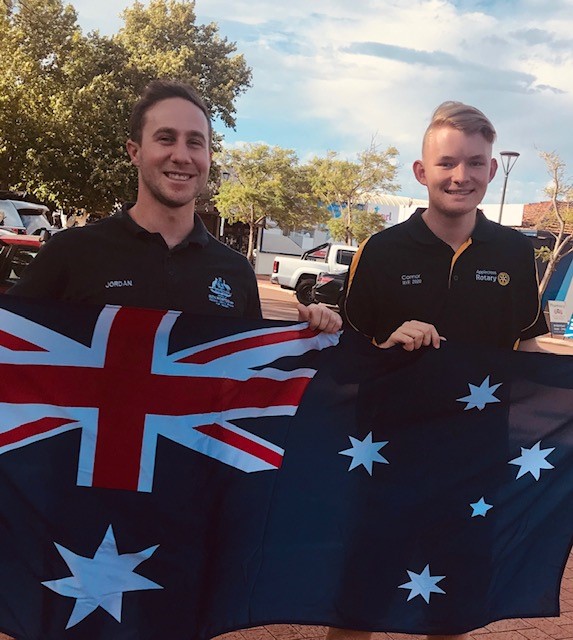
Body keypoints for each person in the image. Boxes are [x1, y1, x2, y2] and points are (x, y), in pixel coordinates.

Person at [328, 101, 549, 640]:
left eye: (476, 163)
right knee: (358, 605)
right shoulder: (379, 251)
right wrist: (386, 342)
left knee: (451, 612)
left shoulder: (516, 253)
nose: (462, 176)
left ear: (492, 171)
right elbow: (347, 360)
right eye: (447, 162)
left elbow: (528, 353)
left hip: (475, 464)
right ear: (422, 172)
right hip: (386, 459)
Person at [9, 79, 341, 334]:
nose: (181, 156)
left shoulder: (236, 273)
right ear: (134, 151)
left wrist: (311, 338)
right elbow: (12, 347)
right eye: (166, 138)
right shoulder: (70, 253)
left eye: (195, 142)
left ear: (209, 158)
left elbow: (246, 383)